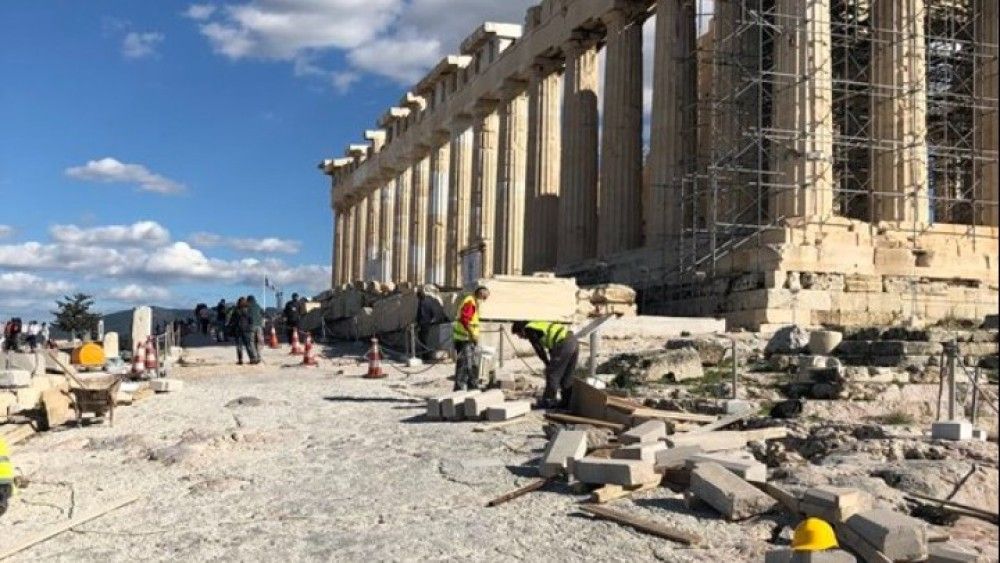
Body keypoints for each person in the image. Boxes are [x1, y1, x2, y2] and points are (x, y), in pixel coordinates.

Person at [512, 320, 579, 409]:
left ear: (521, 330)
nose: (520, 337)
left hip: (563, 343)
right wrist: (550, 362)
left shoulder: (529, 329)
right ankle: (566, 403)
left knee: (552, 374)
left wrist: (547, 363)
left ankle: (548, 401)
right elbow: (552, 347)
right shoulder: (538, 324)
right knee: (567, 375)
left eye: (519, 334)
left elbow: (539, 349)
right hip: (573, 340)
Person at [451, 286, 489, 391]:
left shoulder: (472, 302)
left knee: (470, 364)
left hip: (466, 338)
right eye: (485, 297)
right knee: (465, 365)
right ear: (480, 294)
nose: (484, 300)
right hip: (465, 338)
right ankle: (459, 389)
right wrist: (472, 334)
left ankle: (471, 386)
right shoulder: (470, 303)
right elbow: (465, 320)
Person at [416, 285, 447, 361]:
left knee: (424, 341)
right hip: (437, 322)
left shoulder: (424, 301)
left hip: (425, 324)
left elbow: (423, 314)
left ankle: (425, 357)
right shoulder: (435, 299)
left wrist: (419, 324)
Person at [227, 297, 260, 365]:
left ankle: (240, 360)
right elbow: (251, 319)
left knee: (239, 346)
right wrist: (250, 326)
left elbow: (232, 320)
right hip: (248, 329)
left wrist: (230, 326)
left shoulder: (236, 310)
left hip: (239, 329)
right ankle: (253, 359)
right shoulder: (249, 309)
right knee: (249, 345)